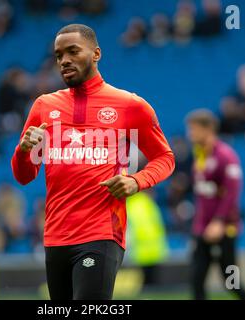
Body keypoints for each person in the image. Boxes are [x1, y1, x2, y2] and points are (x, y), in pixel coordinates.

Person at [11, 24, 175, 300]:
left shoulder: (130, 106)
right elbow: (24, 176)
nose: (64, 60)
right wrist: (23, 151)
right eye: (59, 55)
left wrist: (136, 181)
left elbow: (165, 157)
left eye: (73, 51)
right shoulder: (44, 106)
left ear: (96, 53)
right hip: (55, 235)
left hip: (101, 233)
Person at [185, 109, 245, 300]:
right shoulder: (200, 155)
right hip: (202, 229)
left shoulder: (225, 156)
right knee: (196, 279)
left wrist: (219, 221)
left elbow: (232, 192)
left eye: (194, 129)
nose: (190, 134)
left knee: (231, 281)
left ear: (209, 129)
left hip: (224, 229)